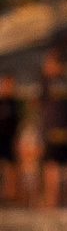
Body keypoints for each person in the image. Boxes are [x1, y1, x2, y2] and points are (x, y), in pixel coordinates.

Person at [39, 47, 67, 206]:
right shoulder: (46, 81)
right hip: (51, 132)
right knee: (51, 168)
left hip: (66, 132)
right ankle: (52, 203)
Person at [0, 73, 20, 204]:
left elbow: (16, 122)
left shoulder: (13, 102)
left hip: (9, 138)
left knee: (11, 167)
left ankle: (9, 196)